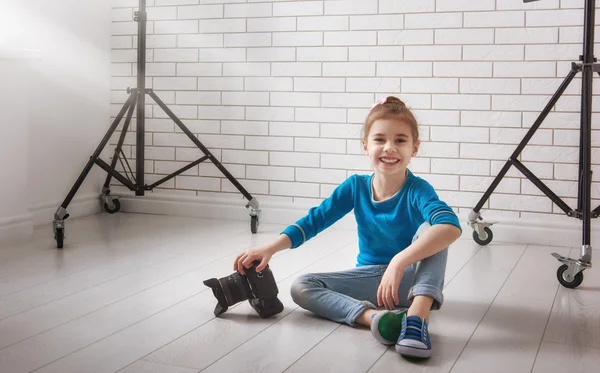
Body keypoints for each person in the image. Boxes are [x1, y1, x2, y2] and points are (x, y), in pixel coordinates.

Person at [233, 96, 461, 359]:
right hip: (372, 281)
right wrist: (270, 248)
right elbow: (315, 219)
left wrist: (399, 261)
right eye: (379, 139)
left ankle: (416, 320)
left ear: (415, 148)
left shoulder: (418, 190)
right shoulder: (355, 187)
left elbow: (451, 226)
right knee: (301, 286)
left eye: (400, 140)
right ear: (366, 146)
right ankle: (377, 319)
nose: (389, 148)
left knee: (434, 229)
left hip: (411, 280)